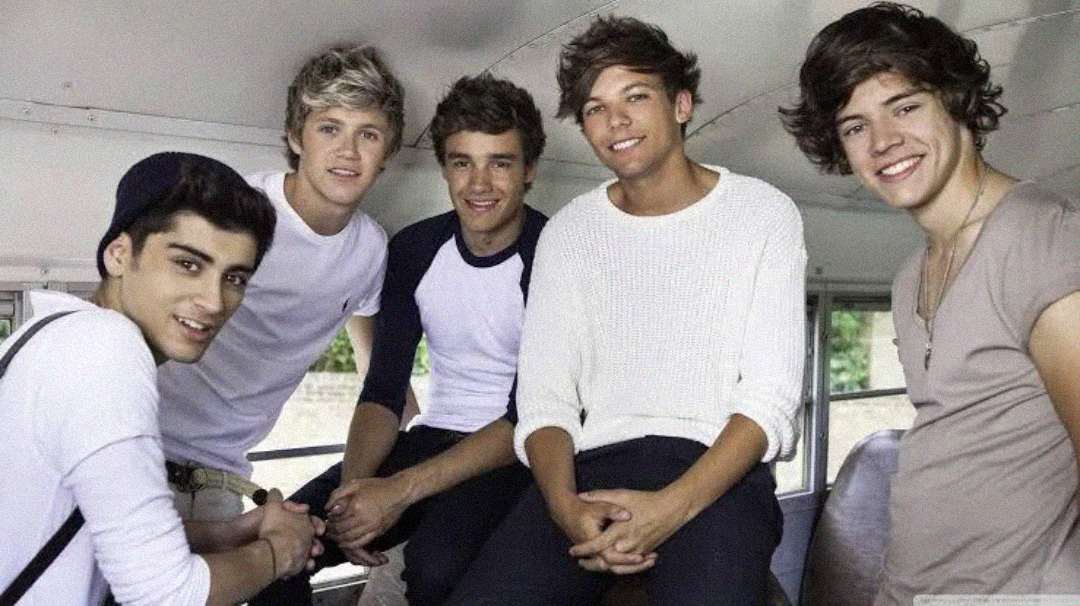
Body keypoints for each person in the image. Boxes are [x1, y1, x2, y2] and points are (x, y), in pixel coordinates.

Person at [451, 16, 806, 605]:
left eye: (636, 97)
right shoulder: (568, 233)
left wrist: (668, 510)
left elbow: (769, 400)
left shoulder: (764, 214)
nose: (615, 121)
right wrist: (565, 508)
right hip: (589, 471)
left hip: (718, 473)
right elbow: (544, 400)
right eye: (595, 108)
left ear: (682, 104)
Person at [781, 2, 1080, 601]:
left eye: (905, 107)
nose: (883, 142)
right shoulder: (908, 275)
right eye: (855, 126)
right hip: (910, 587)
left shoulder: (1042, 238)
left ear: (956, 101)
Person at [252, 72, 547, 606]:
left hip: (513, 455)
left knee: (433, 569)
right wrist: (356, 494)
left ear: (529, 171)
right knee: (283, 547)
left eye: (499, 163)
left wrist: (399, 491)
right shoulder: (414, 249)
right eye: (462, 163)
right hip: (430, 436)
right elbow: (384, 390)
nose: (479, 184)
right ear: (445, 169)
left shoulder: (553, 255)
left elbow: (528, 414)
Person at [0, 152, 323, 605]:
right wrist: (279, 553)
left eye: (234, 277)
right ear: (118, 254)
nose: (213, 301)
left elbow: (93, 531)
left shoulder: (54, 335)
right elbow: (165, 595)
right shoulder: (106, 349)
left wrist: (235, 532)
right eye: (188, 264)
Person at [155, 45, 405, 522]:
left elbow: (377, 372)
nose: (348, 152)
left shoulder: (370, 250)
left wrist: (382, 479)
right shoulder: (233, 212)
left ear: (388, 152)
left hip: (218, 473)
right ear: (296, 136)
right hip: (138, 442)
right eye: (329, 128)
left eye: (368, 134)